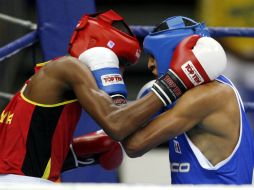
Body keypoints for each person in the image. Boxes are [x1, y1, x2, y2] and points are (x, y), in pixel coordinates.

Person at [0, 9, 227, 183]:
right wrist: (178, 80)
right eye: (122, 62)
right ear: (101, 51)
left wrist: (81, 153)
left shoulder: (53, 76)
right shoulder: (69, 68)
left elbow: (25, 153)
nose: (121, 72)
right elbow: (117, 125)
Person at [121, 16, 254, 184]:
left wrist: (112, 86)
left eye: (154, 56)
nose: (150, 65)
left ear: (174, 53)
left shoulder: (208, 95)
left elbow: (134, 145)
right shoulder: (187, 94)